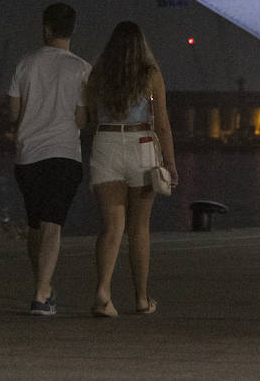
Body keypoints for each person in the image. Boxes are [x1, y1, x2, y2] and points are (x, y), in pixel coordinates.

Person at [85, 21, 177, 318]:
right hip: (141, 145)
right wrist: (171, 163)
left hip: (106, 143)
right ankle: (140, 298)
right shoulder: (151, 75)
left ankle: (103, 291)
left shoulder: (97, 74)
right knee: (139, 228)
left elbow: (88, 114)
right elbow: (162, 123)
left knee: (111, 227)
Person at [8, 2, 90, 316]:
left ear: (46, 28)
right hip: (64, 155)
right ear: (71, 30)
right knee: (52, 225)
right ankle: (42, 295)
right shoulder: (82, 69)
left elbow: (14, 114)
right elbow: (81, 120)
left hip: (28, 156)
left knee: (35, 226)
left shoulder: (24, 65)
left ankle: (43, 288)